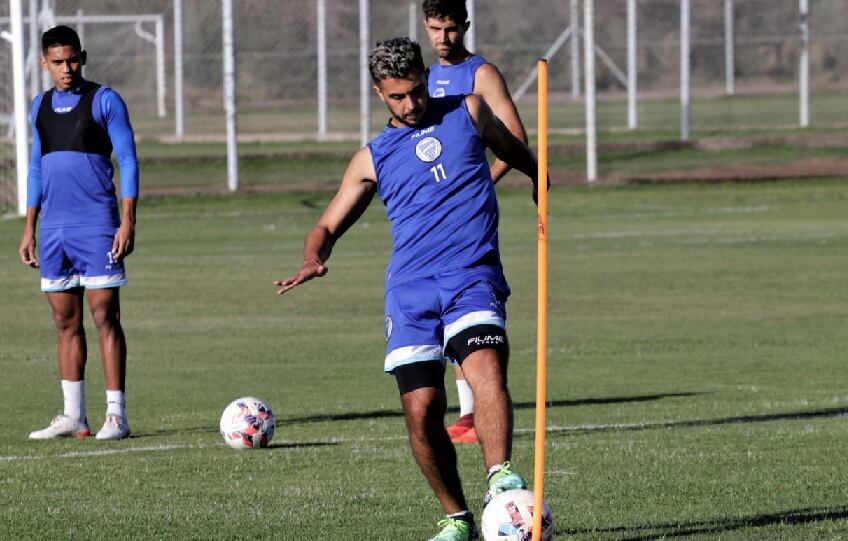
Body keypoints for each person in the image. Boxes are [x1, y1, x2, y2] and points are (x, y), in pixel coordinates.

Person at [275, 37, 543, 541]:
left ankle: (500, 476)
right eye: (398, 96)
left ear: (425, 76)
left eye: (416, 91)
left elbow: (512, 148)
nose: (412, 103)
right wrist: (313, 258)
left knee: (485, 367)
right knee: (421, 412)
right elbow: (327, 225)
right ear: (380, 93)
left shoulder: (469, 109)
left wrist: (538, 176)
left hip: (472, 274)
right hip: (410, 292)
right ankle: (457, 517)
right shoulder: (371, 157)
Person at [18, 25, 139, 441]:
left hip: (97, 225)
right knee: (64, 322)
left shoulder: (105, 100)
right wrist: (29, 227)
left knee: (105, 316)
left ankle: (116, 417)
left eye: (72, 60)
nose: (66, 69)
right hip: (54, 229)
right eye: (57, 62)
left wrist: (128, 220)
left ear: (82, 57)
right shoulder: (39, 106)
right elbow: (36, 168)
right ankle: (74, 416)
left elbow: (126, 157)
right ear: (44, 63)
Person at [422, 0, 529, 444]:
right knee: (441, 308)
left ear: (464, 26)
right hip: (431, 218)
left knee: (473, 308)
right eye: (434, 29)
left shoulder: (481, 75)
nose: (442, 38)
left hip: (469, 221)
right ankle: (467, 412)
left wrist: (480, 183)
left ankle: (473, 414)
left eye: (450, 29)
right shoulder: (424, 78)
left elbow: (516, 139)